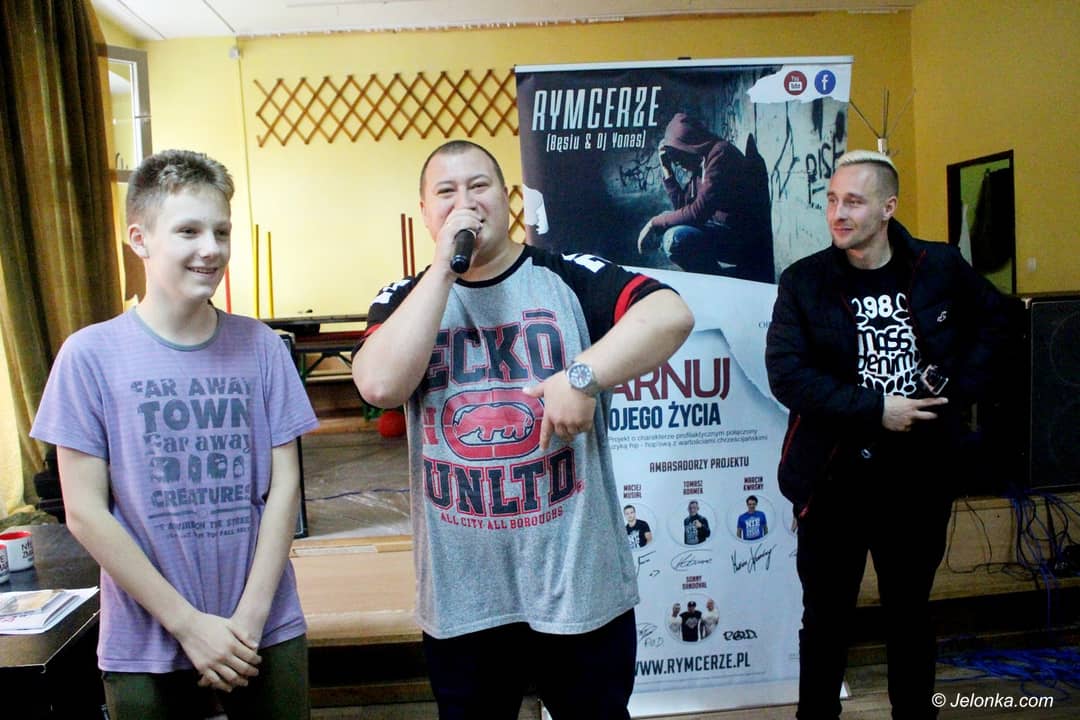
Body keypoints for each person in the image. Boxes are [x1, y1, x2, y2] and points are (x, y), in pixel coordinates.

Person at [352, 140, 694, 720]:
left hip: (578, 587)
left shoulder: (565, 275)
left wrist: (581, 376)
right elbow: (380, 386)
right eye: (446, 192)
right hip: (464, 597)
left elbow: (671, 314)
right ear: (425, 211)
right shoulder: (405, 299)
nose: (465, 202)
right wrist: (442, 271)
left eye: (479, 186)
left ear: (506, 197)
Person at [29, 150, 318, 719]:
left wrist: (250, 620)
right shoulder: (89, 355)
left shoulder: (262, 347)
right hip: (145, 636)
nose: (211, 249)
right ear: (140, 239)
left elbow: (284, 488)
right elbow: (85, 512)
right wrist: (188, 625)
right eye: (189, 231)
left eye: (221, 231)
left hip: (262, 626)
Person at [765, 149, 1007, 719]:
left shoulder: (939, 266)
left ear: (888, 207)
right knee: (826, 618)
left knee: (910, 612)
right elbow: (787, 375)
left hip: (918, 476)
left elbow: (998, 321)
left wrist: (956, 388)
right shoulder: (804, 282)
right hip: (833, 477)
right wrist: (877, 409)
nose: (838, 213)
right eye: (832, 200)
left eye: (853, 201)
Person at [636, 112, 773, 282]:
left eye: (677, 154)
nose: (676, 161)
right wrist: (666, 169)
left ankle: (719, 284)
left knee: (675, 238)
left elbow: (697, 212)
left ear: (689, 145)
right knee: (669, 221)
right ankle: (719, 280)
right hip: (725, 232)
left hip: (745, 241)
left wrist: (653, 222)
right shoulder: (701, 164)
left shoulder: (720, 154)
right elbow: (682, 207)